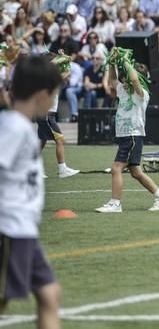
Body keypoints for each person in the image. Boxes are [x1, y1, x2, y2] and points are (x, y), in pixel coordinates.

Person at [0, 55, 64, 328]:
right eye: (54, 96)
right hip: (10, 227)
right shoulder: (14, 129)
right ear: (41, 95)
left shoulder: (20, 127)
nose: (53, 103)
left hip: (23, 227)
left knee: (49, 294)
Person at [95, 49, 159, 213]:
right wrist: (113, 62)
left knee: (116, 168)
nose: (125, 81)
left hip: (132, 136)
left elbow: (135, 79)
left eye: (127, 78)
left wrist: (125, 61)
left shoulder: (142, 94)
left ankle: (115, 203)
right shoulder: (123, 90)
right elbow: (112, 79)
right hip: (124, 136)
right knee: (135, 172)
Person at [37, 53, 81, 179]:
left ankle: (33, 169)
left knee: (41, 142)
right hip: (47, 116)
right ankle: (62, 169)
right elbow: (66, 72)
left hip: (45, 115)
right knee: (60, 140)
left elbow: (67, 71)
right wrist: (64, 58)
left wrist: (64, 58)